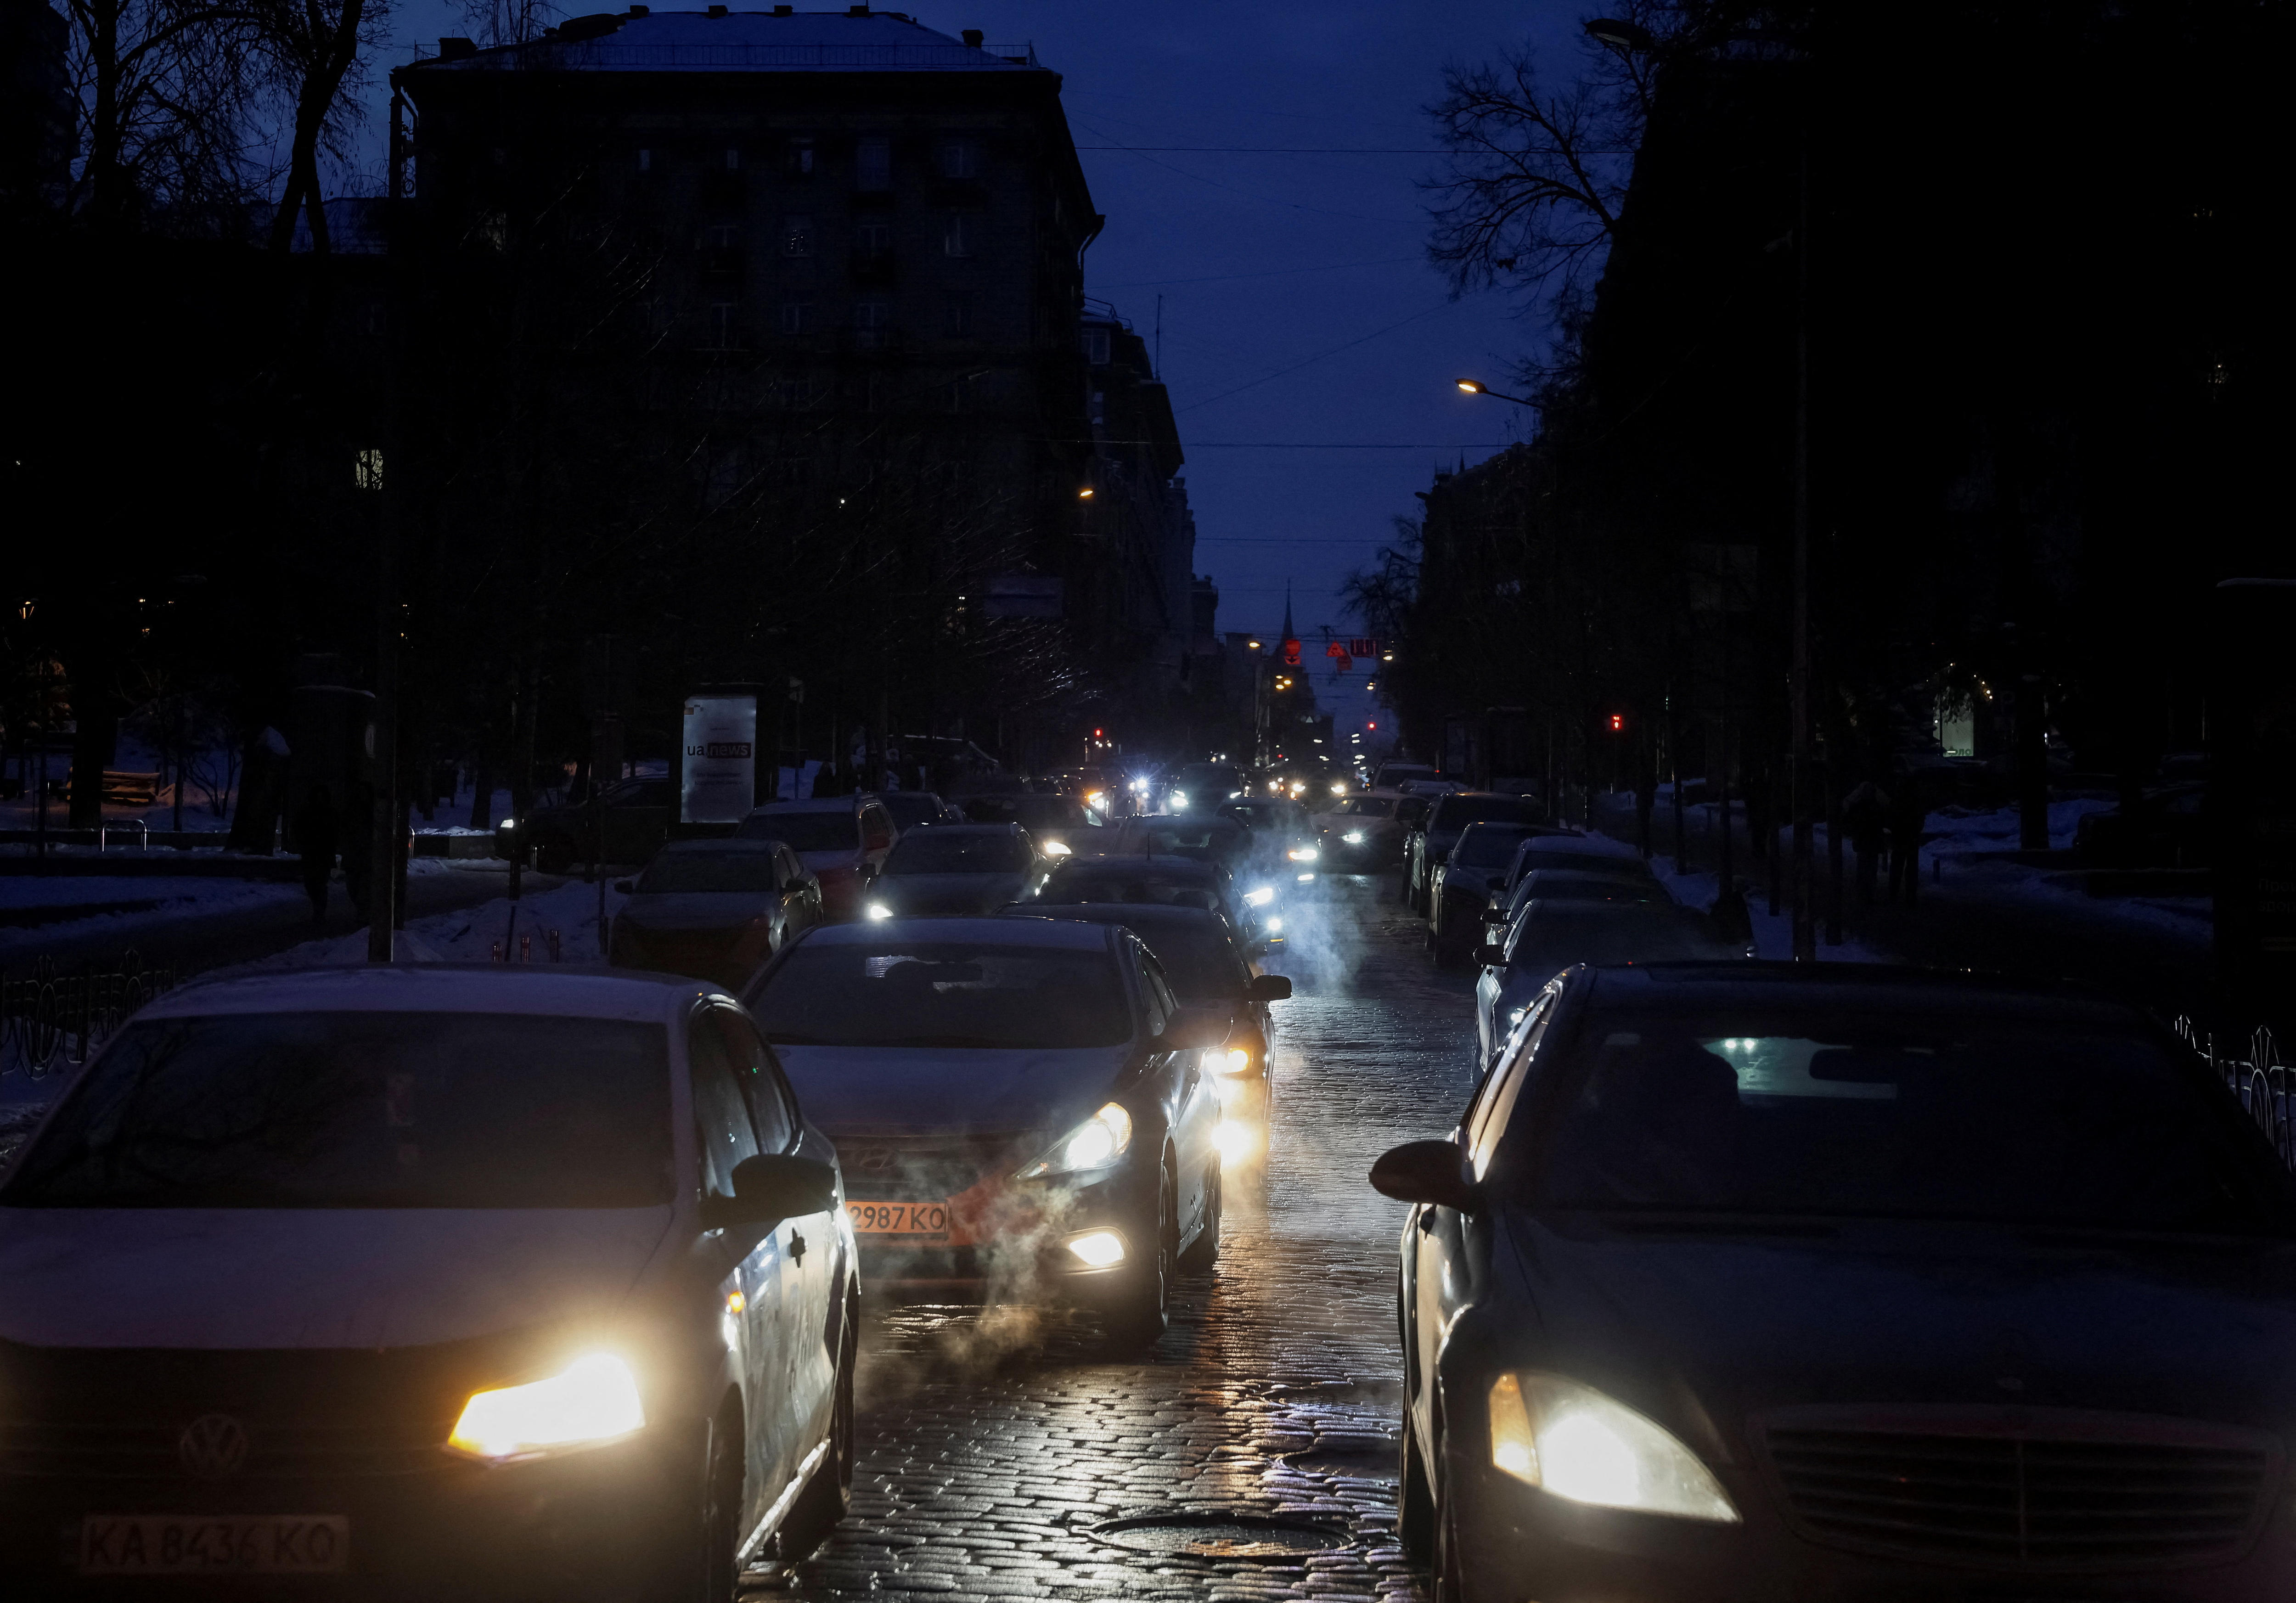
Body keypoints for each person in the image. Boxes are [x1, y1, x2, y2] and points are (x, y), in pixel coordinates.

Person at [294, 782, 338, 923]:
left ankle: (320, 912)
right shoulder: (307, 812)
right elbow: (299, 829)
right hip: (311, 853)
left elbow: (334, 833)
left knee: (320, 883)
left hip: (323, 854)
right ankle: (317, 908)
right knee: (310, 883)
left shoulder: (329, 813)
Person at [1887, 776, 1927, 906]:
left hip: (1901, 836)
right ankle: (1910, 896)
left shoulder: (1898, 798)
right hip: (1911, 837)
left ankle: (1893, 895)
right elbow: (1920, 818)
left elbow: (1892, 817)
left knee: (1897, 866)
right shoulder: (1916, 800)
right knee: (1911, 868)